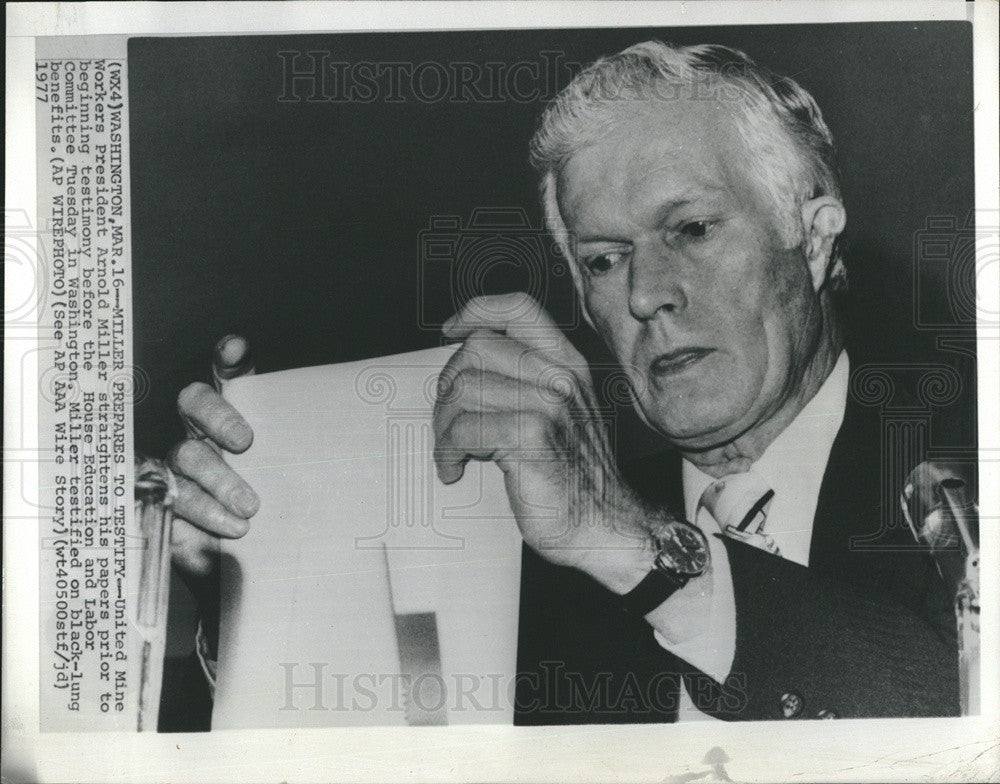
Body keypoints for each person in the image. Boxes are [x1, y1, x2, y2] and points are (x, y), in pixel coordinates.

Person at [166, 41, 959, 724]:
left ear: (814, 240)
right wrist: (247, 591)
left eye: (692, 229)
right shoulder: (532, 547)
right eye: (605, 261)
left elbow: (957, 713)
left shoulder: (967, 465)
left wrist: (635, 549)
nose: (647, 292)